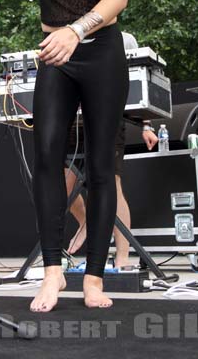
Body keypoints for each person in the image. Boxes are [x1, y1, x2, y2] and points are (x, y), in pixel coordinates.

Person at [0, 0, 129, 311]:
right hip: (56, 56)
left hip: (100, 50)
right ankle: (53, 273)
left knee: (99, 167)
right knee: (48, 157)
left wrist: (76, 29)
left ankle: (94, 277)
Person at [65, 33, 159, 267]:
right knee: (62, 184)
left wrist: (146, 125)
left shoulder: (124, 39)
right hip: (74, 120)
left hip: (109, 117)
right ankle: (87, 221)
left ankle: (123, 258)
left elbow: (137, 81)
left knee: (112, 184)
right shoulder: (67, 34)